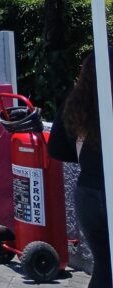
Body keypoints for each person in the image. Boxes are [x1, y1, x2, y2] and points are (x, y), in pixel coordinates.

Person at [48, 51, 110, 288]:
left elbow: (56, 148)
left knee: (104, 265)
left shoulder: (75, 103)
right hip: (107, 190)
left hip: (87, 192)